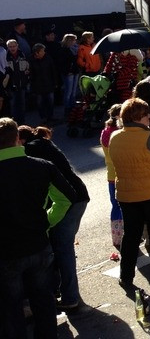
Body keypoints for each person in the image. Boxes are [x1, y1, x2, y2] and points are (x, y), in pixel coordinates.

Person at [0, 117, 79, 338]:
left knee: (11, 306)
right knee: (43, 301)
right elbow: (67, 197)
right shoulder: (41, 166)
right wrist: (47, 221)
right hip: (38, 244)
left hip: (7, 252)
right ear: (17, 138)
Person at [19, 125, 90, 310]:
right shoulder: (44, 143)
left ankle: (70, 297)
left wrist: (45, 221)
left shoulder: (31, 150)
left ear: (21, 140)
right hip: (78, 197)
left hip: (70, 200)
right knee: (61, 248)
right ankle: (63, 292)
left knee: (62, 249)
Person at [107, 99, 150, 288]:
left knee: (131, 236)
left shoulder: (115, 137)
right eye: (146, 114)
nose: (149, 117)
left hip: (127, 194)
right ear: (138, 117)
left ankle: (126, 276)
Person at [100, 104, 124, 252]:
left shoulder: (105, 132)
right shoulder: (119, 133)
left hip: (110, 175)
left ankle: (117, 237)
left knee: (115, 205)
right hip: (123, 174)